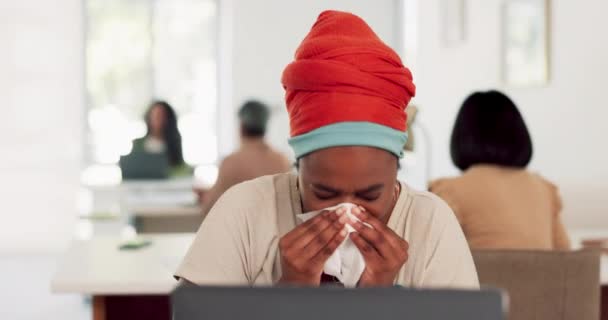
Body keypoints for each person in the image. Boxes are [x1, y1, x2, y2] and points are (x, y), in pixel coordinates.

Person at [176, 10, 478, 288]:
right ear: (297, 166)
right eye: (323, 193)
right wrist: (291, 295)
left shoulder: (429, 224)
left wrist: (380, 301)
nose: (347, 212)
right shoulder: (245, 211)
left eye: (370, 195)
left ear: (397, 171)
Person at [430, 90, 570, 250]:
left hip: (483, 275)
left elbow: (433, 258)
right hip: (542, 275)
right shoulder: (545, 190)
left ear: (462, 136)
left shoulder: (449, 191)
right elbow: (565, 258)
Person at [195, 100, 292, 216]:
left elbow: (209, 209)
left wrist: (206, 197)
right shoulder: (282, 161)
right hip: (276, 232)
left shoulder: (231, 163)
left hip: (239, 232)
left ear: (241, 127)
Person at [132, 100, 190, 175]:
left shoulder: (174, 143)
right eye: (155, 116)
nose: (159, 120)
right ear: (149, 118)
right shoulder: (138, 143)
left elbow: (181, 170)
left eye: (162, 116)